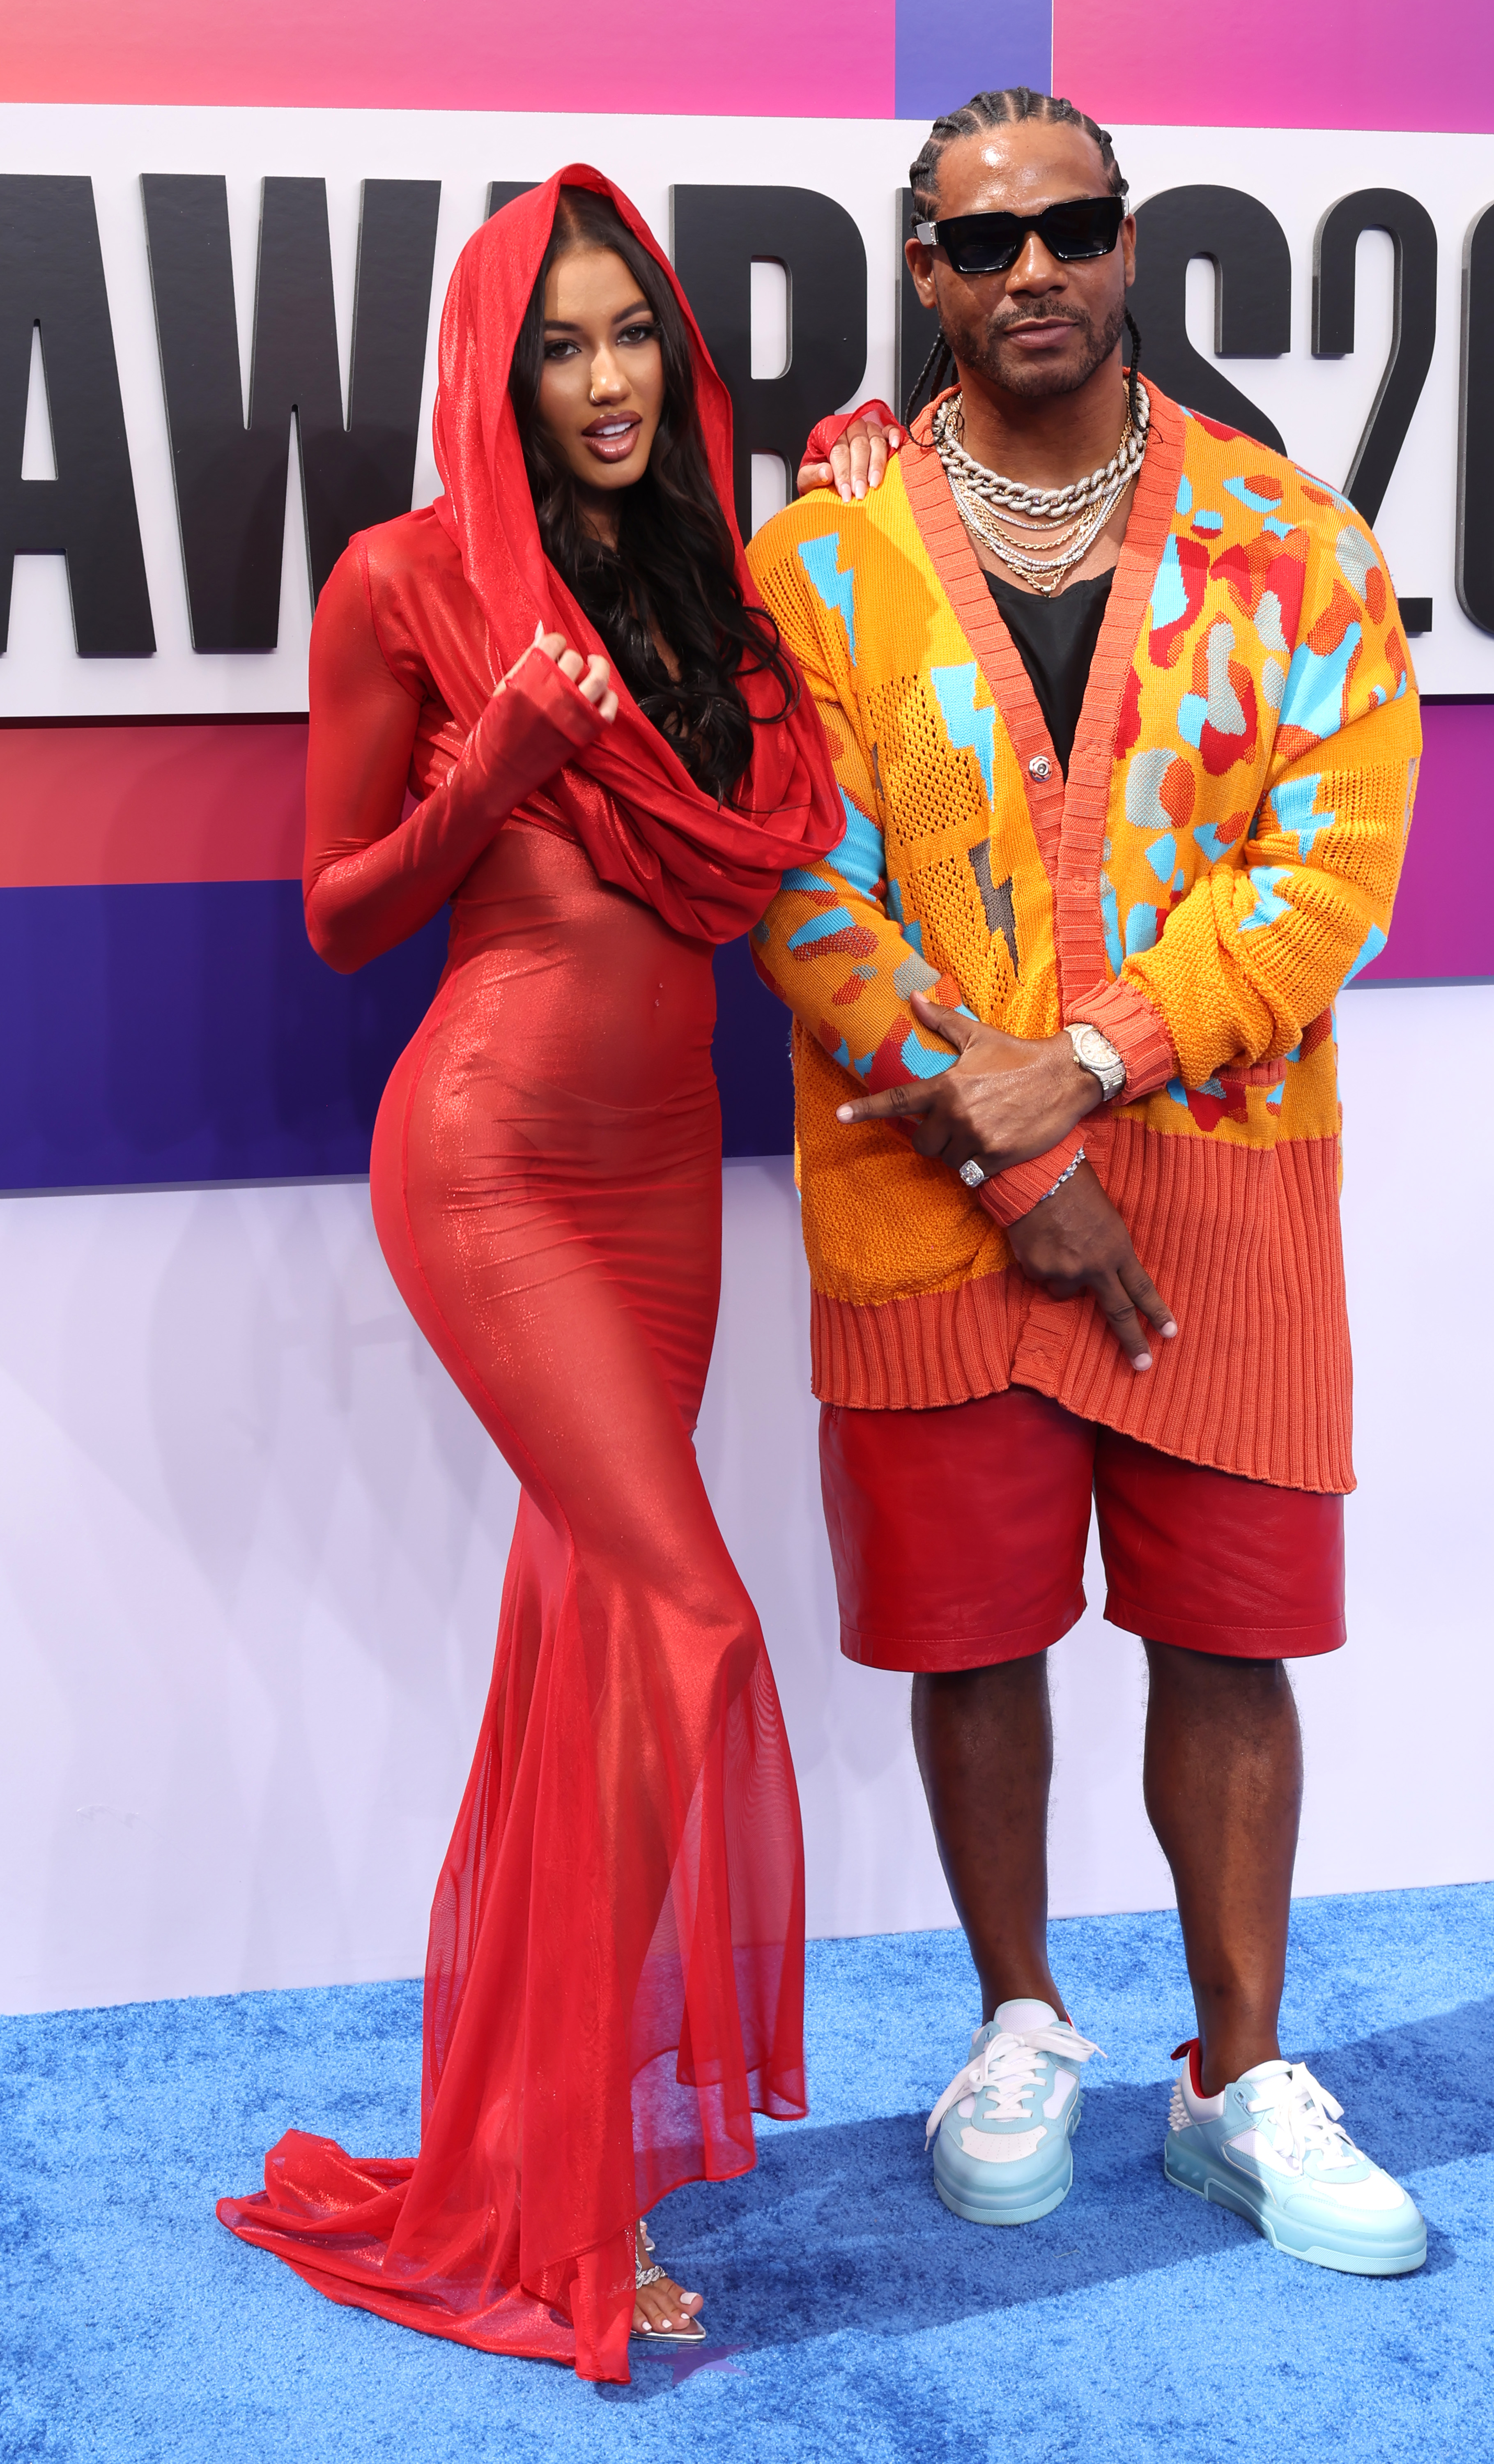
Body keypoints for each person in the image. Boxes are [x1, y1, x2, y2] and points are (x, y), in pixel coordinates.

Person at [754, 87, 1427, 2274]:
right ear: (923, 275)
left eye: (1071, 228)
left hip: (1223, 1190)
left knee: (1229, 1643)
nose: (1029, 267)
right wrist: (998, 1134)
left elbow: (1330, 874)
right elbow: (792, 879)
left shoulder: (1287, 543)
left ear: (1129, 250)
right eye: (982, 240)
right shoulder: (815, 566)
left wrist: (1093, 1066)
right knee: (976, 1643)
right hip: (923, 1201)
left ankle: (1234, 2074)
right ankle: (1016, 2016)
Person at [216, 170, 844, 2384]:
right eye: (555, 348)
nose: (601, 382)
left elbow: (770, 827)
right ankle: (559, 2196)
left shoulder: (707, 594)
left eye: (631, 339)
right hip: (487, 1157)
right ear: (494, 373)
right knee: (687, 1619)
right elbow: (339, 913)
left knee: (595, 1643)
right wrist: (487, 765)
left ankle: (525, 2162)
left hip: (665, 1165)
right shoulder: (404, 583)